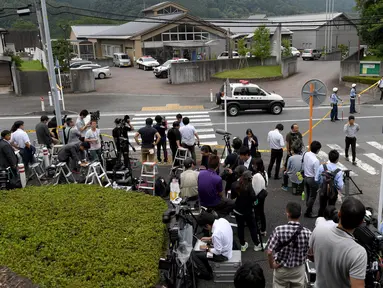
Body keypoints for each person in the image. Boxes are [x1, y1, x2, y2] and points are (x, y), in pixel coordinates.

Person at [309, 198, 367, 288]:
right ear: (361, 222)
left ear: (339, 214)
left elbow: (310, 256)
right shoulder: (358, 253)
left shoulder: (319, 229)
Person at [267, 202, 312, 288]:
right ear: (300, 213)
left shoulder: (278, 230)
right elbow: (310, 252)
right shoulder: (307, 232)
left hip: (281, 268)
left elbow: (269, 252)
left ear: (287, 214)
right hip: (298, 269)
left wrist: (272, 265)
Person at [194, 212, 233, 279]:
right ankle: (207, 266)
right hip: (228, 249)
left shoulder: (216, 234)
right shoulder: (222, 220)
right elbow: (222, 236)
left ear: (207, 225)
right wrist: (210, 238)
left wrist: (206, 248)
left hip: (222, 256)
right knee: (202, 252)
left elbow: (218, 251)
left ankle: (206, 275)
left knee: (194, 254)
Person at [234, 170, 263, 252]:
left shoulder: (237, 184)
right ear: (249, 179)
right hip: (247, 211)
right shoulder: (249, 187)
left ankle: (243, 245)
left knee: (240, 227)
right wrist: (258, 201)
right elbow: (254, 199)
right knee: (252, 227)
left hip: (237, 210)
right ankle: (257, 244)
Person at [315, 149, 344, 217]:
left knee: (322, 206)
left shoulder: (322, 167)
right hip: (333, 192)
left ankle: (320, 218)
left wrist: (321, 183)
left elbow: (316, 179)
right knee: (331, 207)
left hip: (323, 190)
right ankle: (329, 219)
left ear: (329, 157)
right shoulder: (338, 171)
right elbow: (340, 186)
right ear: (337, 159)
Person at [303, 140, 322, 218]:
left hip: (306, 177)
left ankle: (308, 208)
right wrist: (319, 183)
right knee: (312, 196)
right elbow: (317, 174)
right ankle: (308, 211)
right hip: (312, 179)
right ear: (317, 150)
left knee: (308, 194)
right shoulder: (316, 161)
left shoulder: (306, 154)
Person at [252, 158, 268, 236]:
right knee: (261, 212)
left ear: (257, 166)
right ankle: (263, 229)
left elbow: (254, 189)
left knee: (256, 212)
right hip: (262, 196)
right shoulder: (264, 173)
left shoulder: (256, 176)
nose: (253, 166)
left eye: (254, 165)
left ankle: (258, 230)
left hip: (257, 197)